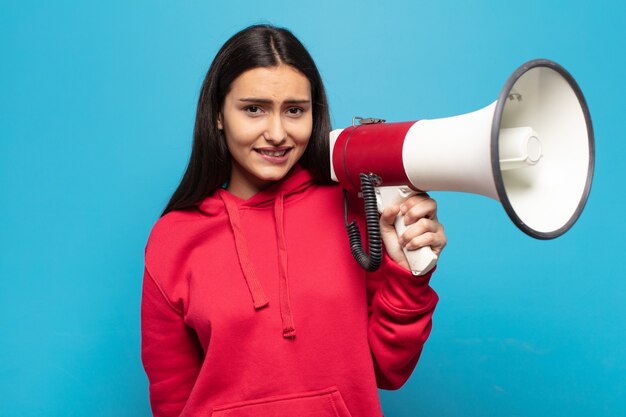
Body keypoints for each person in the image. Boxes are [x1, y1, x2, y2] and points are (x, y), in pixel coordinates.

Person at [141, 24, 447, 417]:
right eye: (254, 109)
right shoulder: (174, 239)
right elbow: (172, 398)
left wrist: (408, 276)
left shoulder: (355, 209)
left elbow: (388, 369)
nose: (277, 133)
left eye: (294, 111)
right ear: (218, 115)